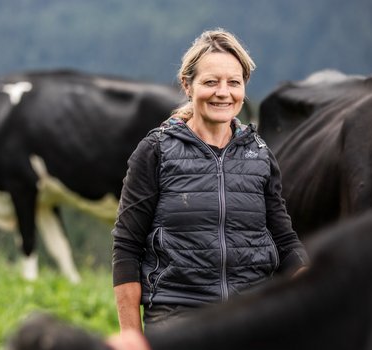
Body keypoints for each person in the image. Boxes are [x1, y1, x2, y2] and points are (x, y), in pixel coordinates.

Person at [111, 28, 309, 337]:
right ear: (187, 86)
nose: (223, 92)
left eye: (234, 82)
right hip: (178, 322)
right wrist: (132, 339)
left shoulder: (259, 155)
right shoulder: (156, 152)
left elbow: (284, 241)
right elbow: (126, 248)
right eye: (210, 82)